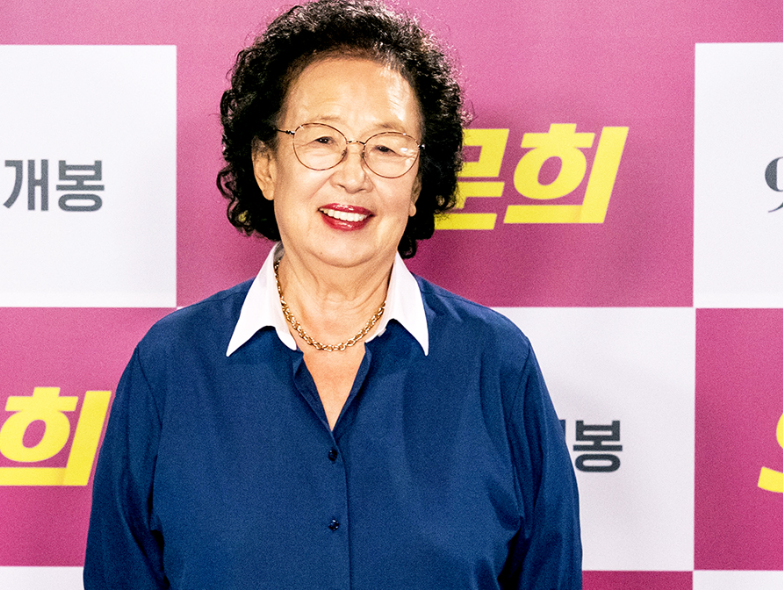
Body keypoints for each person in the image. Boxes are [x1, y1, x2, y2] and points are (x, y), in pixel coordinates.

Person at [84, 1, 582, 588]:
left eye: (386, 147)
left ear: (418, 185)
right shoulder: (171, 365)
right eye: (322, 139)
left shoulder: (496, 363)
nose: (352, 175)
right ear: (266, 166)